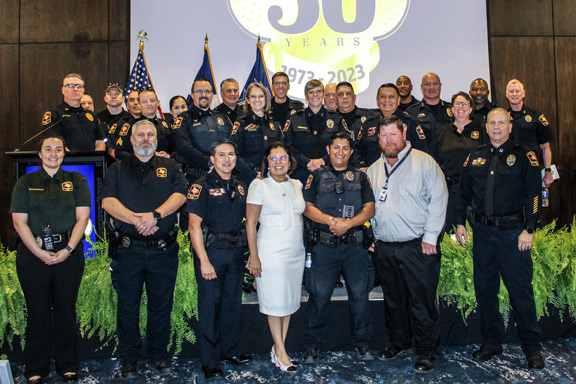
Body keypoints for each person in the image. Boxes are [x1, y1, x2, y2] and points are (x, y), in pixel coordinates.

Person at [455, 107, 545, 369]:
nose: (496, 127)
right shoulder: (475, 156)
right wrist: (460, 223)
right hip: (483, 234)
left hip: (513, 234)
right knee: (485, 291)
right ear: (486, 127)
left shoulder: (525, 156)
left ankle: (532, 348)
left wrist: (530, 228)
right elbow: (462, 192)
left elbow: (534, 194)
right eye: (492, 122)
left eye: (501, 122)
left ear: (510, 126)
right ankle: (492, 342)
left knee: (521, 293)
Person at [101, 120, 187, 379]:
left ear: (157, 140)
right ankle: (129, 358)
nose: (146, 138)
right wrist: (138, 219)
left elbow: (180, 195)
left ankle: (158, 355)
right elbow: (107, 201)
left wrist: (156, 216)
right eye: (141, 135)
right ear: (132, 139)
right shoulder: (117, 168)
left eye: (150, 134)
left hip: (163, 251)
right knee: (128, 306)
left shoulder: (170, 166)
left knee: (161, 305)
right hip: (129, 252)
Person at [367, 116, 447, 373]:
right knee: (394, 300)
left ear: (404, 135)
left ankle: (426, 351)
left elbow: (438, 200)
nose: (388, 140)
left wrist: (430, 237)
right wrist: (373, 238)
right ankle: (398, 342)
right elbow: (367, 207)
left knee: (421, 303)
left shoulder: (424, 163)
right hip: (385, 247)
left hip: (418, 247)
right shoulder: (373, 169)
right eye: (383, 135)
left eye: (393, 134)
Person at [11, 135, 91, 384]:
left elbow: (82, 218)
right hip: (33, 254)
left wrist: (67, 249)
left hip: (68, 253)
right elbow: (18, 221)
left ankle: (68, 364)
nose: (53, 154)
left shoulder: (76, 181)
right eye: (48, 149)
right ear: (40, 153)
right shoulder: (25, 182)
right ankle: (36, 367)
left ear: (64, 154)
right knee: (38, 311)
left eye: (58, 150)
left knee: (66, 310)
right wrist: (39, 252)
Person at [302, 132, 376, 364]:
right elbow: (306, 207)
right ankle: (312, 346)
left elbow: (370, 208)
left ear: (351, 152)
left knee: (359, 297)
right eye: (336, 148)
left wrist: (349, 224)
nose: (341, 152)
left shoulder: (361, 177)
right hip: (324, 246)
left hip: (355, 247)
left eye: (345, 148)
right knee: (319, 297)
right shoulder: (315, 176)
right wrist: (331, 221)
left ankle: (363, 344)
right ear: (329, 149)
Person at [187, 139, 253, 380]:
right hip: (212, 254)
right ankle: (210, 360)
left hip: (235, 254)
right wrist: (203, 260)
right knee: (209, 307)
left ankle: (229, 351)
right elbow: (194, 226)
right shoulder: (200, 187)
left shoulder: (241, 186)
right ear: (212, 159)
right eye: (222, 155)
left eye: (232, 155)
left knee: (231, 304)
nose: (227, 159)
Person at [245, 142, 305, 373]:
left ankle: (278, 347)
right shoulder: (259, 186)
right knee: (274, 303)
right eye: (274, 158)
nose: (279, 161)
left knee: (288, 302)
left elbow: (301, 218)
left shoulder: (297, 184)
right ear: (267, 163)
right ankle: (281, 351)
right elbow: (251, 223)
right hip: (270, 250)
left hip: (294, 251)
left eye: (283, 157)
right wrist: (254, 255)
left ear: (290, 162)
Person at [429, 92, 485, 233]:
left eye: (464, 104)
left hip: (474, 189)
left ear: (471, 109)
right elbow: (432, 161)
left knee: (475, 230)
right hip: (449, 190)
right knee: (450, 230)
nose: (460, 107)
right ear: (452, 109)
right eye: (457, 104)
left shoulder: (482, 129)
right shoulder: (442, 132)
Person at [284, 79, 346, 183]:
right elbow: (287, 145)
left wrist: (323, 160)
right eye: (311, 92)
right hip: (300, 173)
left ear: (323, 95)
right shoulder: (294, 119)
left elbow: (344, 144)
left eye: (319, 91)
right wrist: (306, 162)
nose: (315, 95)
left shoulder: (336, 119)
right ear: (306, 96)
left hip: (331, 172)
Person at [173, 78, 233, 184]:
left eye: (207, 91)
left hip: (224, 174)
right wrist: (210, 163)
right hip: (195, 177)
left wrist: (222, 163)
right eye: (199, 91)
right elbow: (184, 148)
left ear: (212, 95)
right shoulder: (184, 119)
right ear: (192, 95)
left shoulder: (222, 117)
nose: (203, 95)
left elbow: (232, 144)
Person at [356, 83, 427, 169]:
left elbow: (421, 151)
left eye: (391, 97)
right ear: (377, 100)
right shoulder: (369, 124)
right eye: (383, 97)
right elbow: (357, 151)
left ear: (398, 100)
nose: (387, 100)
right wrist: (362, 167)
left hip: (404, 175)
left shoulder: (410, 123)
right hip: (375, 176)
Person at [229, 82, 283, 184]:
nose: (257, 100)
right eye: (253, 96)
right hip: (248, 178)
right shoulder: (241, 124)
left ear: (266, 99)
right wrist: (253, 173)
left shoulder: (275, 125)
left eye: (260, 96)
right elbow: (234, 153)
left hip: (273, 177)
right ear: (248, 100)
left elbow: (282, 152)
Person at [506, 79, 554, 188]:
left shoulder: (536, 116)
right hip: (509, 169)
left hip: (532, 167)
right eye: (511, 91)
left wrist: (548, 171)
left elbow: (545, 147)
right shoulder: (502, 118)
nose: (514, 94)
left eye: (517, 91)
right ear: (506, 94)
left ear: (523, 93)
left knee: (533, 202)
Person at [41, 73, 106, 151]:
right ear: (63, 90)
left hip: (91, 162)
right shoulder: (54, 114)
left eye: (79, 86)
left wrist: (95, 158)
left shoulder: (91, 115)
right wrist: (73, 159)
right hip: (66, 161)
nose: (76, 89)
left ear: (83, 90)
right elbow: (53, 142)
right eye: (71, 86)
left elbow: (100, 141)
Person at [108, 88, 175, 160]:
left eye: (152, 100)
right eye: (144, 102)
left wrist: (169, 156)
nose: (149, 104)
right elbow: (119, 152)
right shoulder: (131, 126)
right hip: (138, 168)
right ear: (139, 105)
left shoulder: (166, 125)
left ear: (158, 103)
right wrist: (140, 158)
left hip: (164, 167)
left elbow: (176, 149)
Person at [405, 72, 453, 148]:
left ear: (440, 86)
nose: (431, 87)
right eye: (427, 84)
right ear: (421, 87)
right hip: (422, 158)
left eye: (435, 84)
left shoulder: (452, 110)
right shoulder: (412, 113)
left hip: (448, 158)